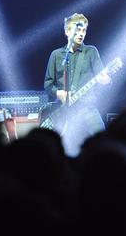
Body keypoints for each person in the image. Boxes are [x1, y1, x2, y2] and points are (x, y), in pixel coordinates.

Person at [43, 13, 110, 156]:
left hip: (87, 107)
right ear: (67, 32)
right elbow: (48, 84)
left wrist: (106, 81)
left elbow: (103, 77)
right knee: (56, 148)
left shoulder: (91, 52)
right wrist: (58, 93)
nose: (81, 34)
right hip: (62, 109)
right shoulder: (56, 55)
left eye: (84, 30)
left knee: (103, 141)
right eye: (77, 30)